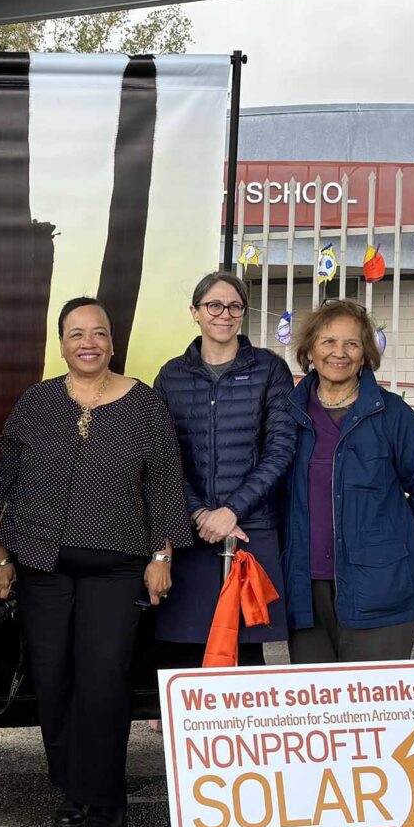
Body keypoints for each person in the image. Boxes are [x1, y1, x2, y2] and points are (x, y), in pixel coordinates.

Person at [0, 296, 191, 827]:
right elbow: (6, 485)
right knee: (52, 678)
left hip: (116, 569)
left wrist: (162, 555)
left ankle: (103, 798)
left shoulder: (145, 406)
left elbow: (166, 488)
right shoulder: (35, 404)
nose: (88, 343)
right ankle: (72, 788)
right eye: (76, 333)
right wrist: (0, 559)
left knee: (102, 678)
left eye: (98, 333)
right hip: (42, 566)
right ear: (62, 343)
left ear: (111, 340)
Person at [281, 299, 414, 662]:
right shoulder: (287, 413)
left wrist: (395, 550)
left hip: (381, 591)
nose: (338, 353)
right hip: (306, 590)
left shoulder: (392, 414)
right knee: (317, 707)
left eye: (351, 344)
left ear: (365, 354)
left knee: (376, 708)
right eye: (328, 342)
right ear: (310, 350)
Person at [153, 272, 295, 668]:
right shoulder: (171, 375)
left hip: (251, 529)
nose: (224, 314)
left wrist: (232, 511)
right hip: (189, 533)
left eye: (234, 306)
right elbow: (162, 457)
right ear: (195, 313)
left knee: (245, 653)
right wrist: (200, 513)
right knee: (185, 649)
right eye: (213, 305)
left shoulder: (270, 370)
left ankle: (241, 733)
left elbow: (281, 450)